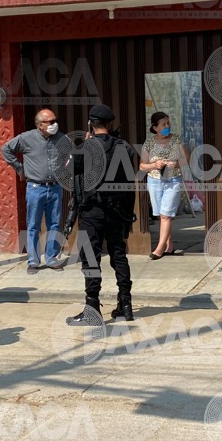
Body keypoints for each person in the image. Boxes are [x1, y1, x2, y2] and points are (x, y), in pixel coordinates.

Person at [66, 104, 137, 326]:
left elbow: (69, 169)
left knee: (90, 259)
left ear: (91, 124)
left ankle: (92, 309)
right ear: (110, 124)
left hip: (91, 212)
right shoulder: (124, 148)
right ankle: (125, 305)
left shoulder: (85, 148)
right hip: (116, 212)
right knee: (119, 256)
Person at [1, 108, 72, 274]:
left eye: (55, 121)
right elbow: (6, 149)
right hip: (35, 188)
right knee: (33, 225)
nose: (54, 124)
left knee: (54, 224)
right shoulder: (27, 138)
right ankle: (33, 261)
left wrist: (65, 169)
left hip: (55, 187)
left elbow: (71, 154)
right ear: (40, 125)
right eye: (50, 122)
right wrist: (20, 169)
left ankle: (52, 258)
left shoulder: (62, 138)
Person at [140, 111, 189, 259]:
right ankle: (170, 245)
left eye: (168, 123)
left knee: (166, 215)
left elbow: (186, 158)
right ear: (155, 127)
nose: (167, 126)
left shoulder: (176, 140)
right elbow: (142, 166)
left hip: (172, 180)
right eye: (163, 124)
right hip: (154, 181)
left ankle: (159, 248)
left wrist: (176, 164)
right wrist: (155, 164)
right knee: (161, 215)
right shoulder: (149, 142)